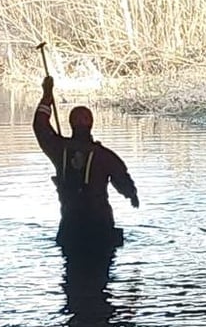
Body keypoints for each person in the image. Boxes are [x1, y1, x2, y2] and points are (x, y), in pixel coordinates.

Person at [33, 76, 139, 253]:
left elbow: (40, 125)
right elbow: (122, 178)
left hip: (71, 226)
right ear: (91, 124)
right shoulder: (105, 156)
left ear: (71, 124)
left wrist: (46, 97)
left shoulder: (59, 150)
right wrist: (131, 194)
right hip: (101, 226)